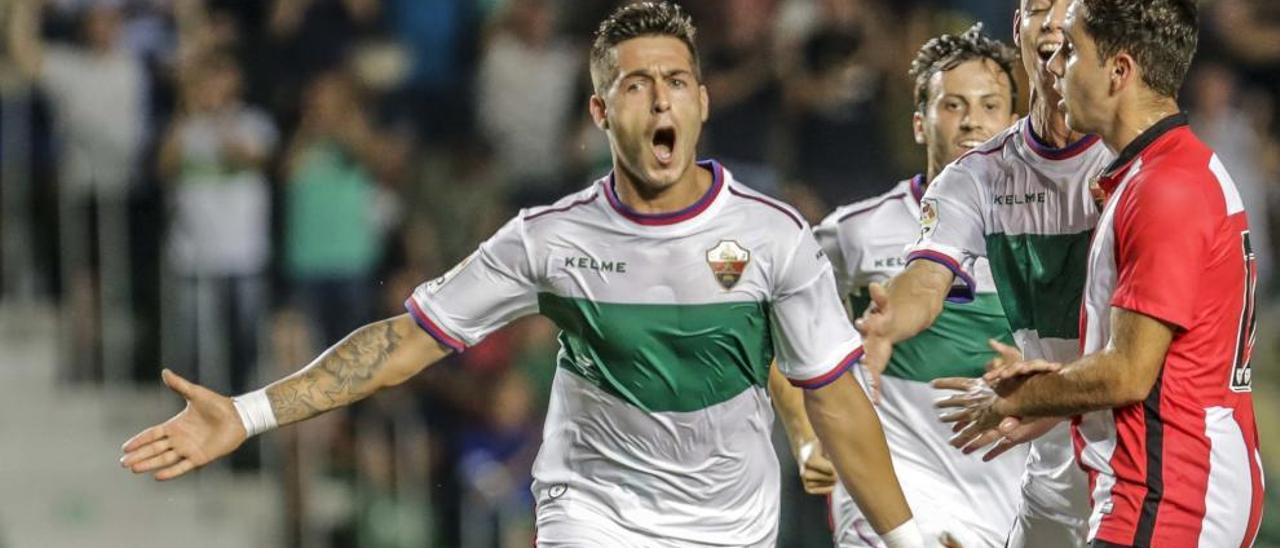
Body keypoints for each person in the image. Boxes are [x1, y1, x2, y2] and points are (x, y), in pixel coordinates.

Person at [119, 3, 924, 547]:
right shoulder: (549, 239)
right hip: (592, 511)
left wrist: (910, 539)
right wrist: (248, 412)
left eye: (676, 81)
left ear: (703, 103)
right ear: (601, 114)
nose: (659, 100)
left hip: (729, 520)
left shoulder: (773, 235)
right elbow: (403, 343)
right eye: (635, 85)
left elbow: (836, 400)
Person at [935, 1, 1265, 546]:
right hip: (1176, 480)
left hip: (1170, 492)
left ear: (1119, 72)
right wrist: (1054, 394)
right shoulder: (1160, 171)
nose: (1055, 66)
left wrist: (1013, 400)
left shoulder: (1164, 189)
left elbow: (1128, 373)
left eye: (1072, 51)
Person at [852, 1, 1115, 546]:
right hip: (1048, 475)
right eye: (1036, 8)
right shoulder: (977, 175)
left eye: (1069, 7)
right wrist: (887, 321)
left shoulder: (1132, 166)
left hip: (1136, 463)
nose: (1052, 21)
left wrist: (1051, 387)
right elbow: (925, 280)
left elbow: (1144, 359)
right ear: (1017, 28)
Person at [772, 24, 1026, 547]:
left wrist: (1034, 374)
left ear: (1015, 124)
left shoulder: (1043, 237)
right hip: (887, 489)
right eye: (952, 105)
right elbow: (779, 335)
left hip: (1003, 491)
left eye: (989, 105)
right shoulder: (855, 231)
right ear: (919, 123)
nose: (972, 121)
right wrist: (805, 436)